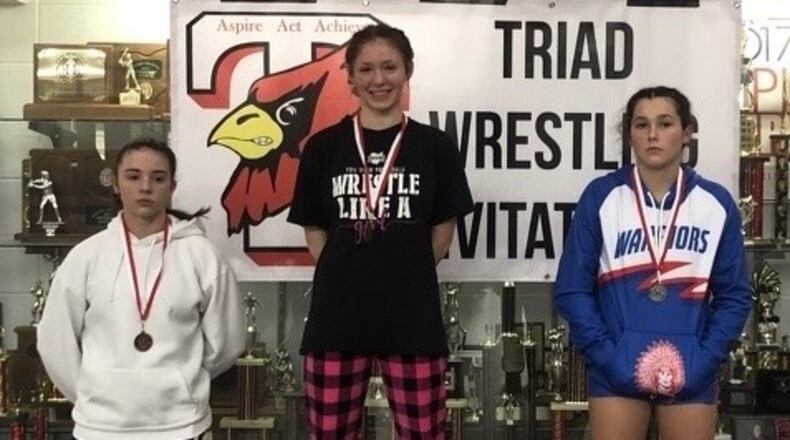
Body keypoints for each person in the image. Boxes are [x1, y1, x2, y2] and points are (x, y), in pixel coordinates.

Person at [287, 23, 474, 439]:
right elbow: (315, 231)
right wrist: (348, 273)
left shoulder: (435, 147)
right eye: (366, 69)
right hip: (336, 317)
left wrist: (403, 272)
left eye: (389, 67)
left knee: (424, 434)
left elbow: (442, 233)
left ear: (408, 70)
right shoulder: (323, 147)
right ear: (350, 77)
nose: (379, 79)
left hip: (413, 317)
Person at [554, 86, 751, 440]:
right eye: (642, 124)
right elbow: (571, 290)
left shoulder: (716, 203)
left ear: (687, 132)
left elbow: (735, 296)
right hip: (616, 367)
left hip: (692, 367)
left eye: (665, 123)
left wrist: (706, 358)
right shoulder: (601, 196)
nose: (653, 134)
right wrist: (607, 356)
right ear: (629, 133)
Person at [37, 138, 246, 440]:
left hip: (181, 426)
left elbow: (227, 342)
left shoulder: (202, 256)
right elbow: (55, 342)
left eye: (158, 178)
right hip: (101, 428)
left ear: (172, 186)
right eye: (133, 177)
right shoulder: (86, 257)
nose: (145, 187)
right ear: (116, 184)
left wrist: (183, 382)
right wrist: (91, 393)